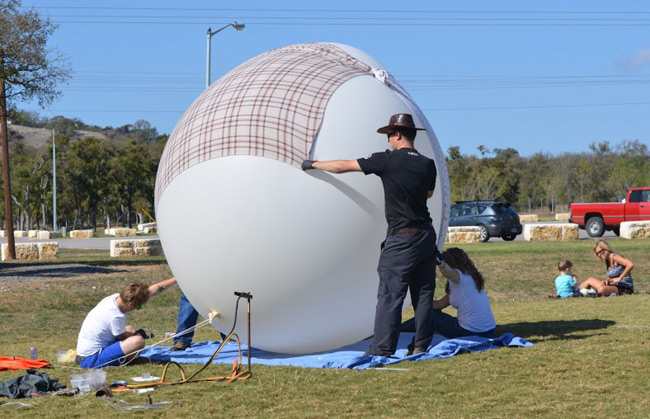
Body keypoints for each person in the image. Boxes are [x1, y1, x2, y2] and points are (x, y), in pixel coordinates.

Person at [302, 113, 438, 357]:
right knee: (424, 293)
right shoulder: (428, 164)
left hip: (402, 238)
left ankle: (382, 348)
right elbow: (428, 194)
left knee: (390, 294)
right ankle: (420, 345)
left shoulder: (387, 160)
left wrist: (314, 164)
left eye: (389, 136)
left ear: (397, 135)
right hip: (426, 236)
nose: (388, 141)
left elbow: (344, 166)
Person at [75, 277, 177, 368]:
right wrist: (139, 335)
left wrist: (176, 279)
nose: (138, 309)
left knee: (130, 328)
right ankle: (128, 361)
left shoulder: (114, 298)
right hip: (92, 359)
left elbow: (150, 291)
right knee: (138, 341)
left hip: (85, 353)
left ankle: (127, 359)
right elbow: (124, 336)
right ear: (131, 304)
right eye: (138, 306)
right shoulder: (116, 316)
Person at [402, 248, 496, 340]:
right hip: (489, 332)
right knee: (432, 314)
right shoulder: (470, 280)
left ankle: (398, 331)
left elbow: (450, 273)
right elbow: (438, 304)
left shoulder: (459, 277)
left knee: (431, 315)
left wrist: (441, 263)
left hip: (469, 333)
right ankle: (400, 330)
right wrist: (418, 300)